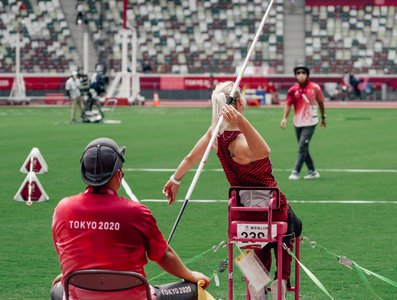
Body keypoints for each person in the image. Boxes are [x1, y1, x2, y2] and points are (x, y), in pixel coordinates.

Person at [163, 82, 302, 300]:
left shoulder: (214, 135)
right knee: (291, 228)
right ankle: (282, 280)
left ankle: (257, 283)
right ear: (237, 103)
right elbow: (264, 151)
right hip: (271, 209)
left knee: (253, 244)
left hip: (240, 211)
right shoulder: (240, 144)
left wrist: (175, 180)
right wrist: (241, 122)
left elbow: (191, 158)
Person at [51, 137, 210, 300]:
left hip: (79, 295)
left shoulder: (63, 209)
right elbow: (163, 255)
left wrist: (69, 273)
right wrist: (191, 275)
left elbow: (65, 251)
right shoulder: (136, 212)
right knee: (194, 289)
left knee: (58, 289)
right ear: (118, 174)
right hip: (134, 296)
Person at [281, 65, 326, 180]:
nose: (301, 75)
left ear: (307, 74)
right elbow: (288, 104)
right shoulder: (292, 90)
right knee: (303, 147)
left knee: (302, 146)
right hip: (298, 122)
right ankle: (313, 171)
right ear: (295, 75)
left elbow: (321, 102)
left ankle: (295, 171)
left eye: (303, 72)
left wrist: (323, 117)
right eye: (298, 73)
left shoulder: (315, 88)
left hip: (311, 122)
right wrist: (284, 118)